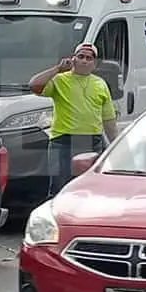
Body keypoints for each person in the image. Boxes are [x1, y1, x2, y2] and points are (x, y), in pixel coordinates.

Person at [29, 43, 119, 196]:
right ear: (73, 59)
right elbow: (34, 85)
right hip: (63, 141)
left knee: (90, 187)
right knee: (61, 188)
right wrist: (57, 69)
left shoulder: (100, 84)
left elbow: (108, 120)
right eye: (81, 56)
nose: (84, 61)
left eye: (89, 58)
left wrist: (116, 146)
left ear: (94, 64)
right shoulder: (60, 80)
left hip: (92, 141)